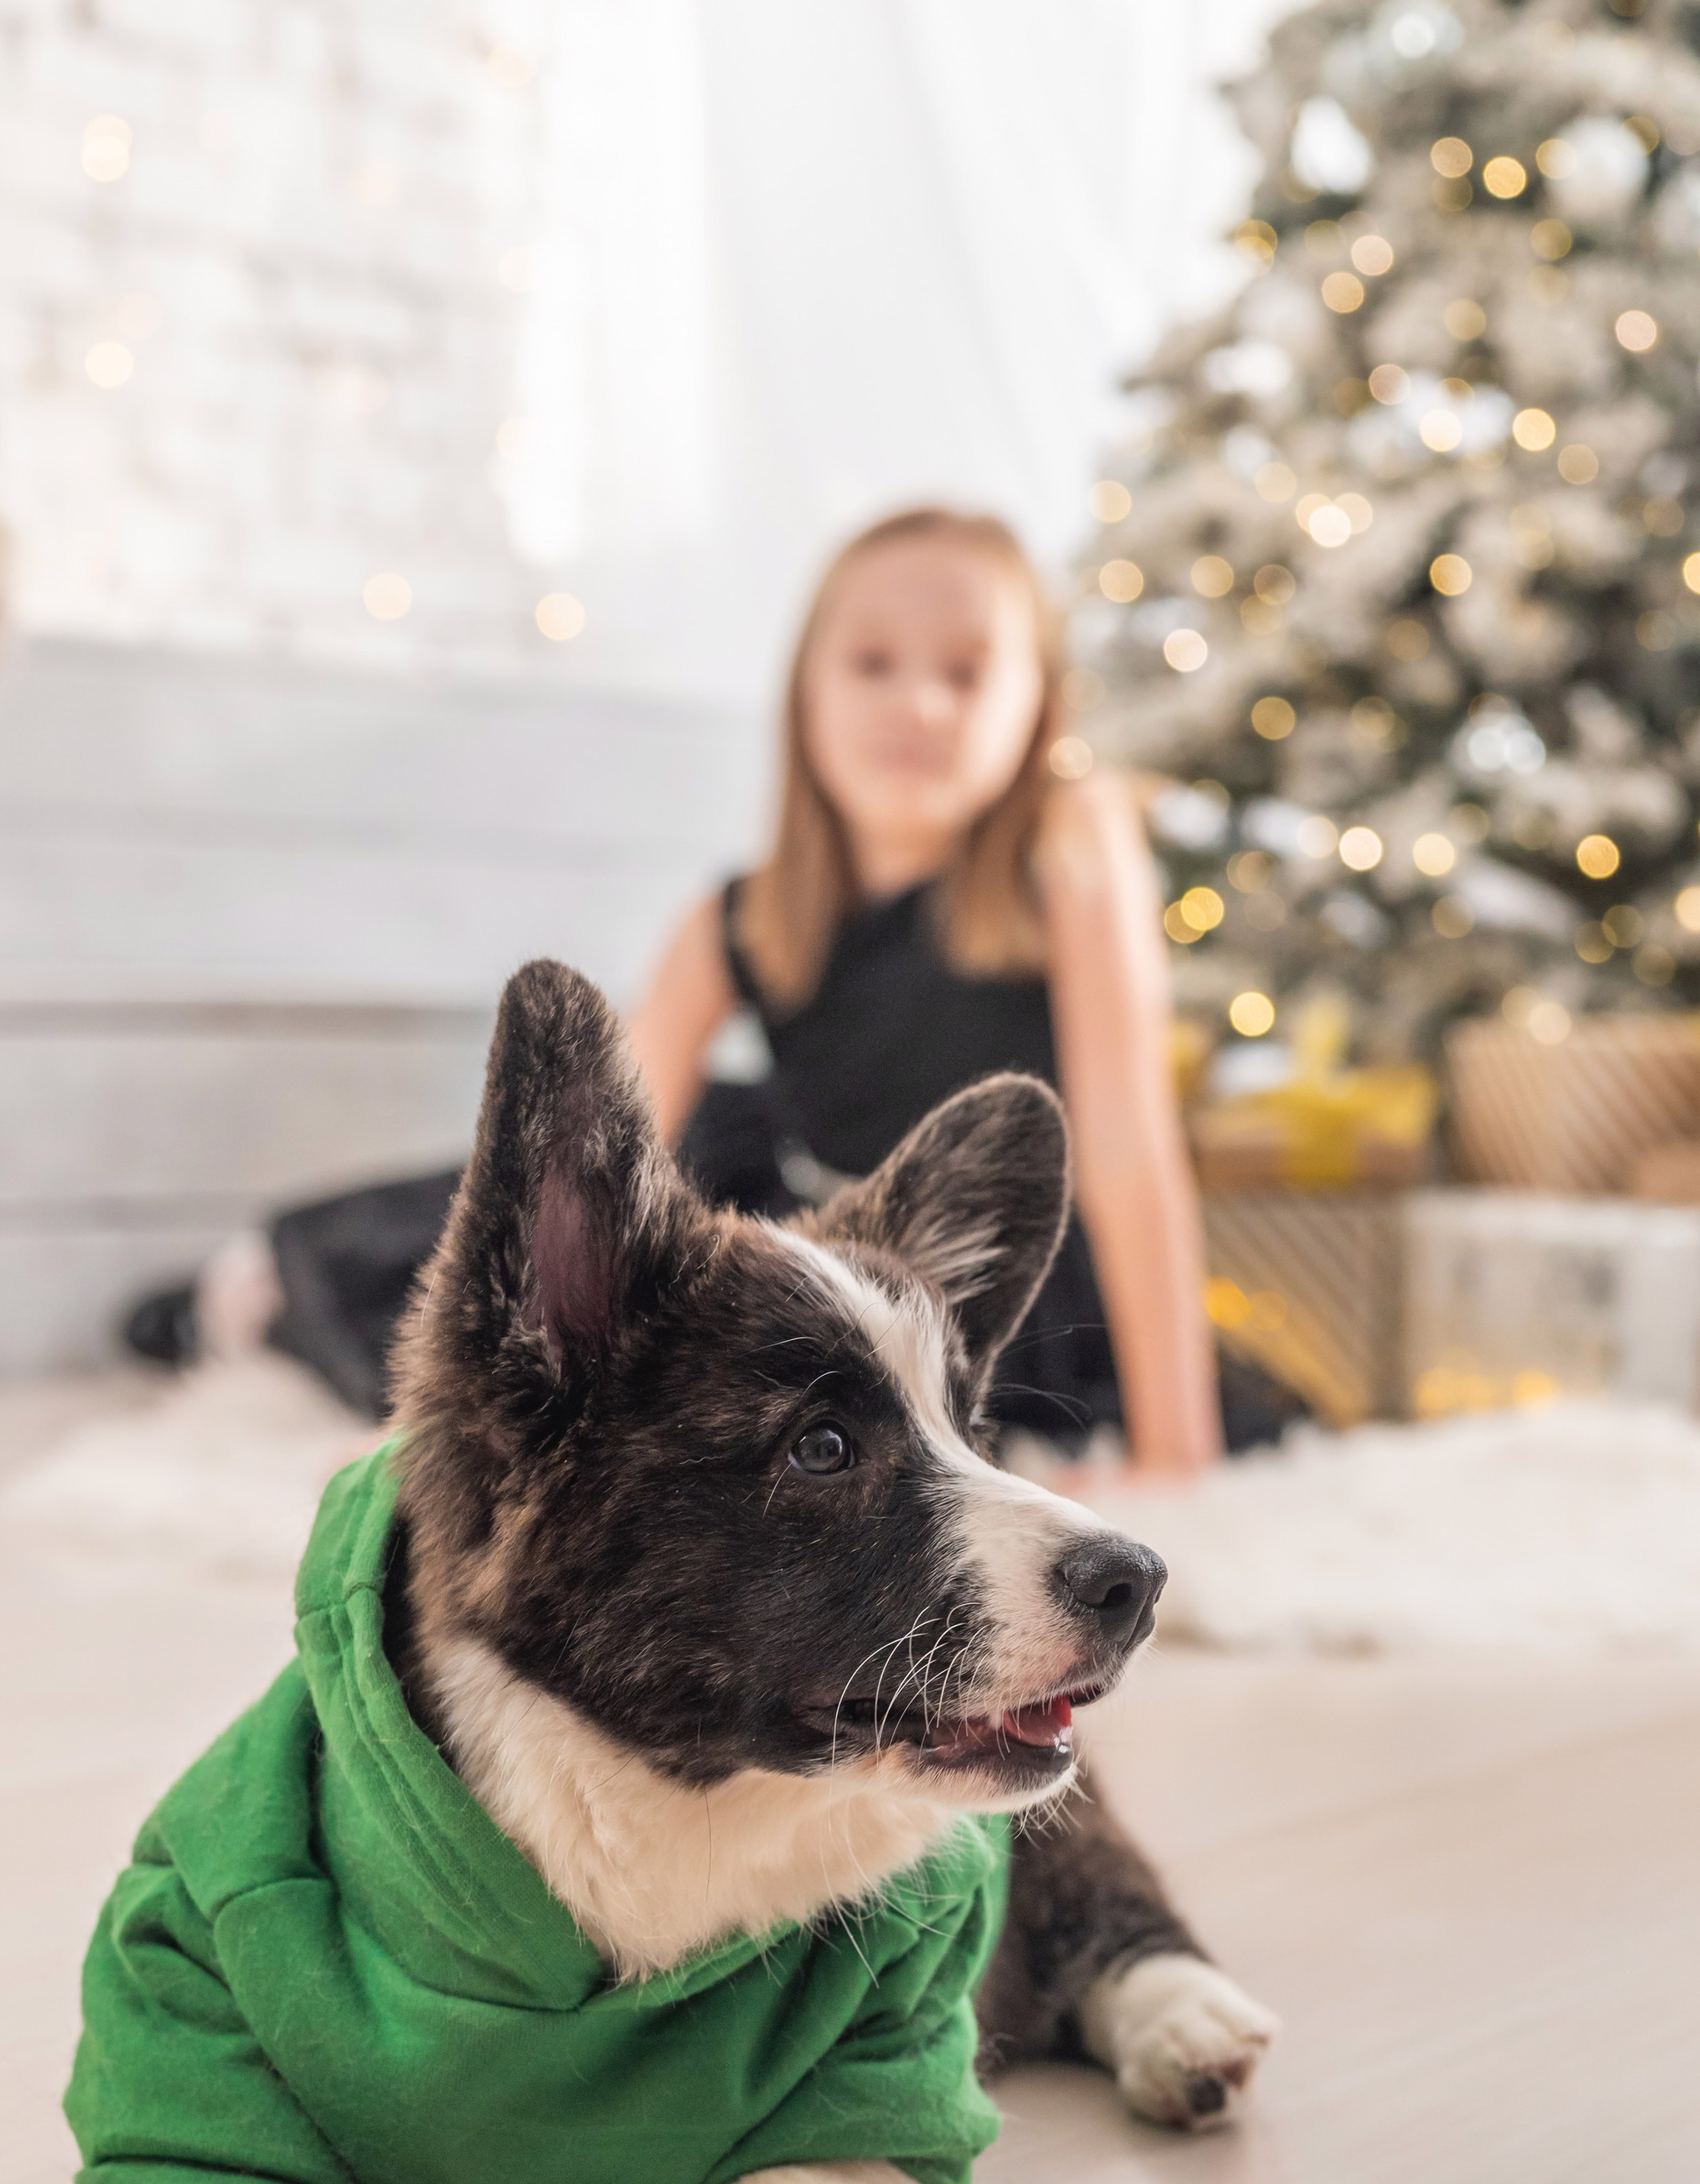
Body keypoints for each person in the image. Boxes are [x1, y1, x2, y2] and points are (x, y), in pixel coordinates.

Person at [131, 505, 1292, 1471]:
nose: (921, 704)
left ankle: (252, 1304)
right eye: (875, 664)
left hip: (989, 1273)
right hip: (801, 1220)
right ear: (807, 696)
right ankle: (257, 1297)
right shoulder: (737, 913)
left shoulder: (1070, 861)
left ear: (1036, 707)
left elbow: (1132, 1149)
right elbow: (593, 1160)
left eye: (967, 671)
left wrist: (1177, 1445)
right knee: (509, 1242)